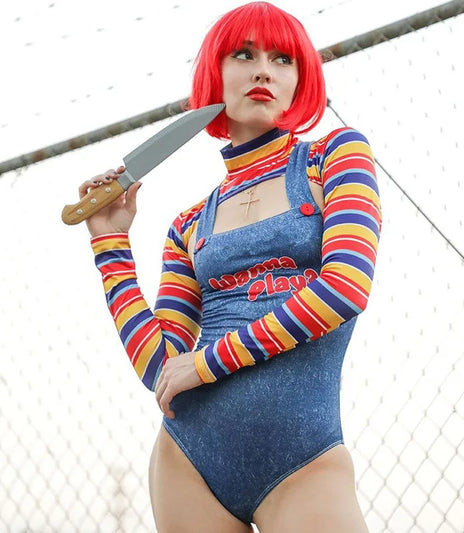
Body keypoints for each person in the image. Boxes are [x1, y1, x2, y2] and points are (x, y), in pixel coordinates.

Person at [79, 2, 381, 532]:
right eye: (244, 55)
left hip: (305, 460)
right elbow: (163, 367)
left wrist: (207, 363)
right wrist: (110, 243)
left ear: (300, 78)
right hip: (189, 463)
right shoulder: (189, 224)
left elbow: (345, 289)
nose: (264, 70)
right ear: (215, 73)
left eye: (282, 58)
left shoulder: (334, 157)